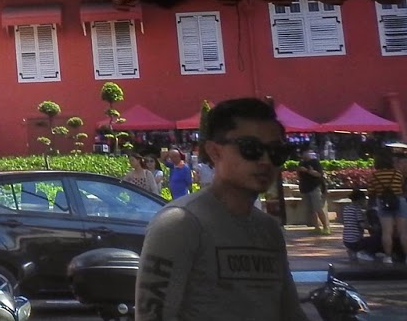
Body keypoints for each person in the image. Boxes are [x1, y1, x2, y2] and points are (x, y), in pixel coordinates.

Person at [136, 97, 304, 321]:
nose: (265, 160)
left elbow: (290, 312)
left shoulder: (269, 230)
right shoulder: (180, 224)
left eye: (276, 151)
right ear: (214, 152)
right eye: (250, 148)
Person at [367, 151, 405, 262]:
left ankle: (388, 256)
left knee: (386, 231)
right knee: (403, 231)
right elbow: (401, 187)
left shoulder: (374, 175)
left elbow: (371, 191)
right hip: (399, 201)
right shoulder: (397, 173)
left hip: (383, 202)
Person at [340, 189, 379, 261]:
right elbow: (362, 225)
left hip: (346, 240)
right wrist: (372, 228)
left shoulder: (346, 208)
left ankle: (352, 250)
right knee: (373, 240)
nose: (365, 201)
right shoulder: (357, 210)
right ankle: (362, 253)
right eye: (364, 199)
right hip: (355, 241)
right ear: (360, 199)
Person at [296, 150, 329, 234]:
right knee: (310, 210)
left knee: (318, 208)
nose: (303, 155)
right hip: (304, 188)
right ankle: (316, 227)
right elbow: (299, 176)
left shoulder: (315, 162)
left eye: (305, 153)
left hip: (314, 188)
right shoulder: (301, 163)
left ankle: (325, 227)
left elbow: (318, 174)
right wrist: (299, 171)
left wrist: (307, 171)